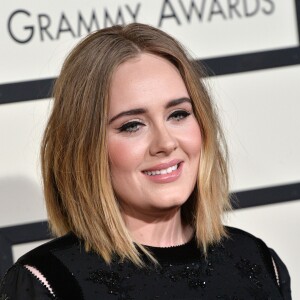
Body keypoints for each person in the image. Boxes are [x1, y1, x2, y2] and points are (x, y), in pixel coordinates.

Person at [0, 23, 291, 299]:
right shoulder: (47, 282)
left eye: (178, 114)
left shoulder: (259, 261)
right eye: (132, 125)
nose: (165, 143)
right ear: (86, 148)